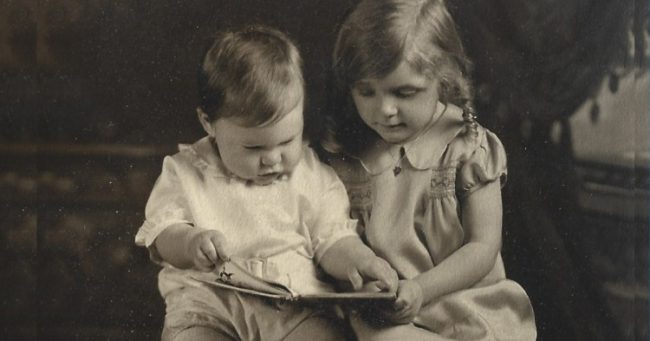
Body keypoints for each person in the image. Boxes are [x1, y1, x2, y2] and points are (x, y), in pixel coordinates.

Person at [135, 25, 398, 341]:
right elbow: (162, 234)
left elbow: (332, 239)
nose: (273, 159)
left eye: (288, 140)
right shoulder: (187, 172)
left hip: (292, 304)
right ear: (209, 123)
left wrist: (361, 261)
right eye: (254, 148)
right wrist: (190, 242)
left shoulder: (310, 175)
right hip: (208, 305)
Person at [321, 0, 537, 339]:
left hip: (464, 308)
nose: (385, 109)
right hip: (387, 317)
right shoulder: (349, 157)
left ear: (444, 75)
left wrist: (421, 288)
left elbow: (483, 246)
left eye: (405, 92)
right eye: (366, 92)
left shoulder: (465, 146)